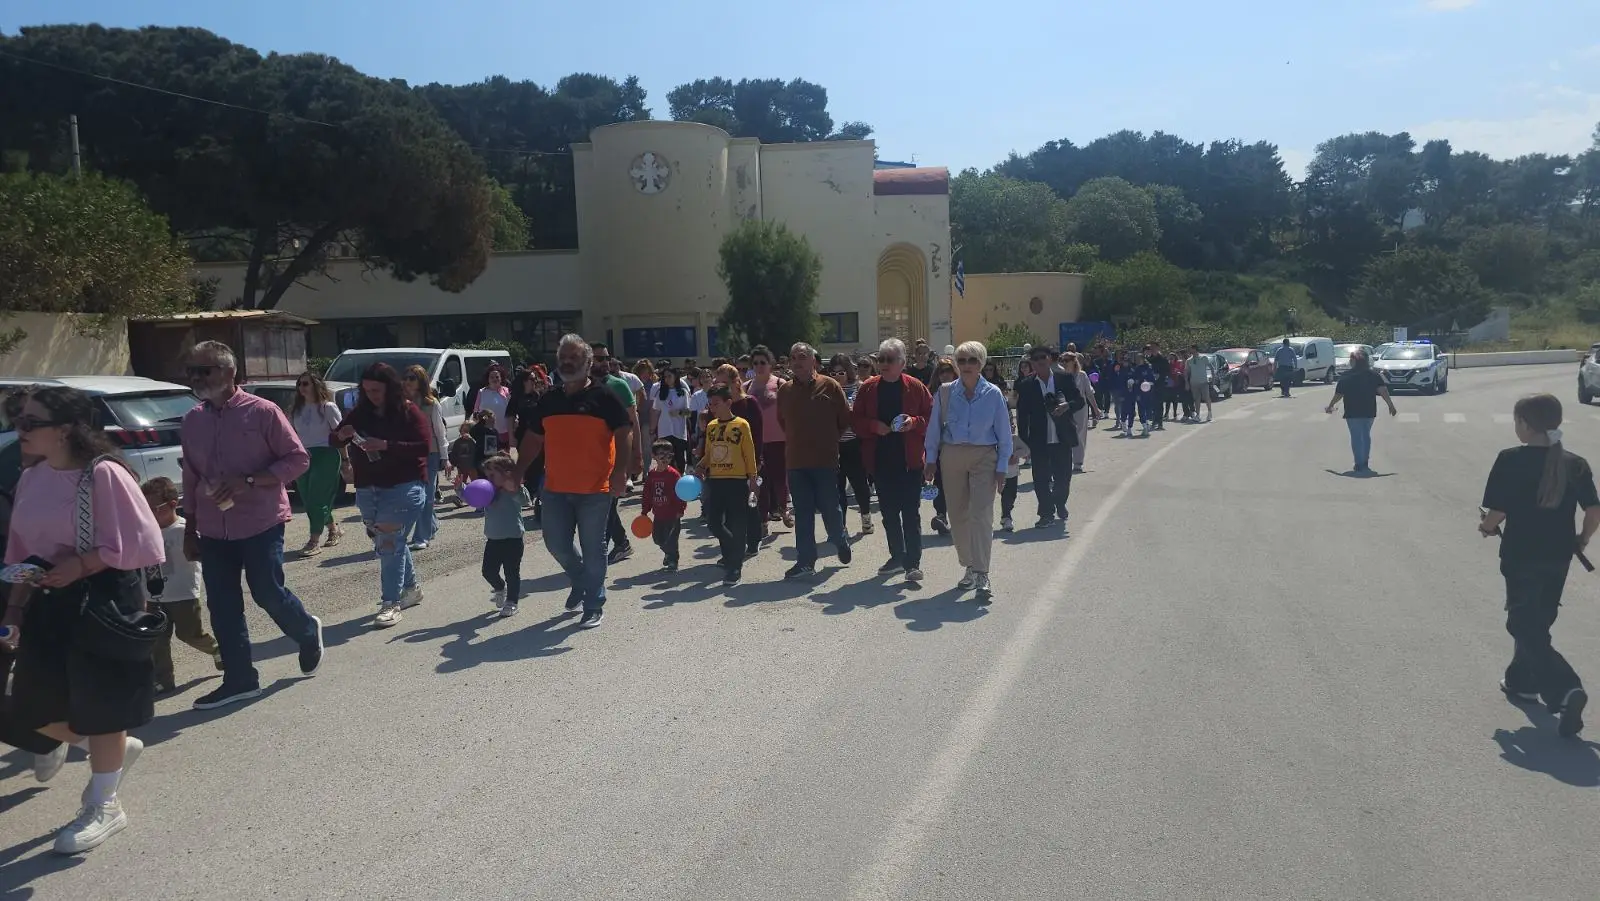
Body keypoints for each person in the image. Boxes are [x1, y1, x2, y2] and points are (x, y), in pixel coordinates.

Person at [1, 385, 165, 853]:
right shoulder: (32, 477)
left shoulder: (104, 473)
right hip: (48, 599)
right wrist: (14, 609)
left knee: (103, 704)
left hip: (104, 598)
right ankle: (107, 749)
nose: (19, 429)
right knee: (29, 707)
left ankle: (104, 805)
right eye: (18, 420)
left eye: (31, 422)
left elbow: (143, 542)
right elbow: (21, 555)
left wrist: (81, 564)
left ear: (66, 429)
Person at [180, 341, 323, 711]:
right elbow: (191, 476)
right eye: (192, 371)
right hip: (213, 529)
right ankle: (240, 679)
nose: (196, 378)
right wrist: (190, 528)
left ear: (230, 372)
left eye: (205, 370)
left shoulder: (263, 412)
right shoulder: (193, 420)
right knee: (221, 605)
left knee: (267, 592)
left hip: (261, 522)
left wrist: (249, 481)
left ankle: (307, 630)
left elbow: (298, 459)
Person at [1480, 393, 1600, 738]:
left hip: (1521, 555)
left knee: (1522, 623)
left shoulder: (1510, 459)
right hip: (1558, 556)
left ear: (1524, 423)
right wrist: (1582, 539)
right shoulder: (1575, 463)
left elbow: (1498, 512)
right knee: (1537, 621)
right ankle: (1522, 682)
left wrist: (1486, 527)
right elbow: (1594, 511)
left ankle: (1566, 689)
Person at [517, 335, 632, 629]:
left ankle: (593, 602)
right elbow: (533, 439)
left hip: (596, 489)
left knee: (594, 549)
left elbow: (624, 432)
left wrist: (621, 471)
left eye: (575, 358)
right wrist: (518, 471)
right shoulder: (549, 400)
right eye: (563, 358)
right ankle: (581, 581)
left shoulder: (604, 397)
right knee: (556, 544)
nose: (567, 362)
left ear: (588, 363)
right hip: (555, 488)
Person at [332, 363, 431, 629]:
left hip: (404, 486)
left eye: (376, 390)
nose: (372, 395)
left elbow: (424, 446)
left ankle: (391, 604)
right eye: (366, 390)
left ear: (390, 387)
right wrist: (341, 435)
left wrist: (386, 445)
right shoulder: (360, 412)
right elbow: (334, 439)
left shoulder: (409, 411)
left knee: (388, 542)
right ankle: (411, 589)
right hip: (367, 487)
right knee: (390, 540)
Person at [924, 342, 1012, 600]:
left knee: (981, 514)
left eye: (972, 360)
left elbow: (1004, 433)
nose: (966, 365)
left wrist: (1002, 467)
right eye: (961, 360)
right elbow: (934, 428)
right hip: (952, 455)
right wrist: (930, 459)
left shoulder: (993, 393)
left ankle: (982, 572)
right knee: (958, 515)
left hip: (984, 455)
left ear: (981, 363)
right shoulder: (945, 392)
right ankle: (970, 565)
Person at [851, 338, 933, 584]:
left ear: (902, 363)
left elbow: (931, 418)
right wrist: (873, 426)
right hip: (880, 461)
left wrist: (913, 423)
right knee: (888, 513)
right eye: (881, 359)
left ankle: (913, 564)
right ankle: (897, 556)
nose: (884, 363)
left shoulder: (916, 387)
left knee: (910, 513)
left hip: (910, 462)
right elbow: (855, 421)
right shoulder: (868, 388)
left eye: (890, 359)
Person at [777, 343, 854, 579]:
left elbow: (844, 419)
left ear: (813, 361)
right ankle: (806, 562)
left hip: (824, 461)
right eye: (793, 358)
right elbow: (783, 422)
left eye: (802, 357)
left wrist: (829, 441)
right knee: (803, 512)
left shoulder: (829, 385)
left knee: (830, 508)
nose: (796, 362)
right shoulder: (785, 390)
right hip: (796, 462)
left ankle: (839, 539)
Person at [139, 477, 221, 695]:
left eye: (154, 508)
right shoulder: (145, 532)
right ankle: (163, 680)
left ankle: (217, 649)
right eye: (144, 508)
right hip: (154, 596)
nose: (149, 514)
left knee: (189, 634)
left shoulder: (185, 530)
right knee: (156, 639)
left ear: (173, 504)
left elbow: (203, 554)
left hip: (182, 594)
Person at [698, 385, 759, 584]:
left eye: (716, 403)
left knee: (736, 523)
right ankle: (734, 550)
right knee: (714, 522)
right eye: (710, 404)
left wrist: (753, 479)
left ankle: (734, 566)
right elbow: (709, 452)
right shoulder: (711, 426)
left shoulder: (741, 425)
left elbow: (749, 454)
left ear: (728, 403)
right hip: (716, 480)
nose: (712, 407)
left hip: (737, 480)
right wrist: (701, 465)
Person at [1015, 346, 1082, 529]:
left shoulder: (1064, 378)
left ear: (1050, 359)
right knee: (1041, 479)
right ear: (1032, 363)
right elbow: (1022, 415)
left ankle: (1059, 502)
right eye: (1035, 359)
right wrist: (1024, 442)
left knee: (1063, 479)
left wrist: (1067, 406)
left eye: (1042, 357)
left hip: (1062, 438)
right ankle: (1046, 513)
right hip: (1039, 441)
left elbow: (1079, 401)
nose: (1040, 361)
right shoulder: (1026, 385)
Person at [592, 342, 642, 565]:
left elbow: (633, 421)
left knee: (607, 502)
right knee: (601, 504)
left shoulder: (618, 385)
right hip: (592, 456)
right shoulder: (581, 387)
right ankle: (617, 543)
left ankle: (611, 547)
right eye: (599, 358)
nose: (605, 362)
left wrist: (637, 454)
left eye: (606, 358)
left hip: (615, 454)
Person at [289, 371, 346, 557]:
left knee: (317, 498)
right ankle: (333, 529)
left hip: (326, 455)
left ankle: (314, 541)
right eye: (299, 384)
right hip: (303, 456)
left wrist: (346, 461)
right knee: (307, 499)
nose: (302, 387)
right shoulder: (297, 410)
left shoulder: (327, 407)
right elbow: (293, 436)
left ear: (316, 385)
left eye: (306, 383)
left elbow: (341, 436)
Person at [712, 363, 766, 559]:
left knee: (749, 504)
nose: (720, 387)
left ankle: (754, 539)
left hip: (747, 464)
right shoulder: (717, 405)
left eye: (724, 383)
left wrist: (756, 463)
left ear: (736, 382)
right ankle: (731, 549)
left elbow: (758, 435)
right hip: (724, 466)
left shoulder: (749, 403)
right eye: (717, 383)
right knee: (727, 509)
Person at [1324, 348, 1396, 473]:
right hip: (1369, 410)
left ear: (1353, 361)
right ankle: (1365, 461)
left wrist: (1330, 406)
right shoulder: (1373, 375)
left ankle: (1359, 463)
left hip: (1352, 410)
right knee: (1365, 435)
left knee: (1356, 436)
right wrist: (1391, 405)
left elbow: (1339, 394)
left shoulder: (1347, 375)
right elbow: (1383, 391)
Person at [403, 364, 449, 551]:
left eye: (412, 378)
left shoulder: (432, 404)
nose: (407, 381)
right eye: (406, 377)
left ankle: (421, 536)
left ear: (421, 380)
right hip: (408, 454)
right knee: (413, 496)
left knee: (427, 496)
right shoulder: (402, 404)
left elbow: (440, 432)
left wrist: (445, 457)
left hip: (430, 453)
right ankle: (431, 524)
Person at [478, 454, 529, 618]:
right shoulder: (488, 492)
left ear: (506, 473)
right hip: (493, 539)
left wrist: (514, 488)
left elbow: (525, 500)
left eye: (492, 475)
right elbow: (473, 498)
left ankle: (512, 602)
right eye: (487, 476)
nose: (489, 479)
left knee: (512, 572)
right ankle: (500, 588)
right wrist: (460, 489)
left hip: (513, 539)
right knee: (488, 571)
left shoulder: (514, 490)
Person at [746, 345, 790, 532]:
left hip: (779, 440)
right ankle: (763, 520)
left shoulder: (781, 384)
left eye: (762, 362)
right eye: (755, 363)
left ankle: (784, 509)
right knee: (760, 482)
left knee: (780, 479)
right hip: (756, 443)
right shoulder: (746, 387)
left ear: (770, 363)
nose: (759, 366)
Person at [829, 352, 874, 537]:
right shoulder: (827, 389)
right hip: (834, 445)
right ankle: (842, 525)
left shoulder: (860, 387)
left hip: (855, 443)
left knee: (860, 485)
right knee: (837, 488)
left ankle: (866, 517)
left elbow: (865, 412)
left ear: (848, 371)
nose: (837, 376)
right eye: (833, 373)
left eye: (841, 372)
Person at [643, 438, 687, 572]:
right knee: (657, 539)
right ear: (654, 456)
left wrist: (680, 509)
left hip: (672, 514)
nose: (665, 458)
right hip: (658, 514)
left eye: (669, 455)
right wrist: (645, 510)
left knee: (671, 539)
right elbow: (647, 493)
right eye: (662, 455)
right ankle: (668, 553)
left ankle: (673, 560)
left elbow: (681, 493)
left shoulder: (674, 475)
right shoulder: (652, 474)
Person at [1061, 353, 1099, 473]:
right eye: (1062, 360)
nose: (1064, 363)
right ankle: (1065, 460)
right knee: (1064, 434)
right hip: (1064, 408)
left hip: (1080, 409)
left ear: (1074, 361)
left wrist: (1096, 409)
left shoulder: (1082, 375)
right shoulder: (1060, 375)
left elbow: (1089, 393)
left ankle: (1078, 462)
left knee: (1079, 435)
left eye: (1067, 360)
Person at [652, 367, 692, 473]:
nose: (667, 379)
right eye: (665, 377)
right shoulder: (660, 393)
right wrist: (652, 429)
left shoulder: (683, 392)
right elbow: (656, 412)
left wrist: (678, 412)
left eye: (669, 376)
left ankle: (679, 477)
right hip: (664, 430)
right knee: (665, 457)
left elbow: (688, 412)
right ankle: (667, 478)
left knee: (679, 457)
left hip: (679, 431)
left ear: (675, 377)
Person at [471, 365, 512, 450]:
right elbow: (476, 411)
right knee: (491, 455)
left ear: (501, 378)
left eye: (497, 377)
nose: (494, 379)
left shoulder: (506, 391)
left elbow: (511, 410)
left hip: (504, 432)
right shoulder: (482, 392)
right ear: (488, 379)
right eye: (492, 377)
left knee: (504, 456)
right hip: (487, 432)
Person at [1186, 346, 1215, 424]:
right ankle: (1198, 415)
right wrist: (1187, 382)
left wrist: (1213, 378)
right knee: (1196, 399)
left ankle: (1209, 413)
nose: (1190, 350)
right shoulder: (1189, 360)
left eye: (1191, 349)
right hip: (1194, 383)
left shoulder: (1203, 358)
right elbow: (1187, 372)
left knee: (1206, 398)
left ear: (1195, 349)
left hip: (1203, 382)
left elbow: (1211, 367)